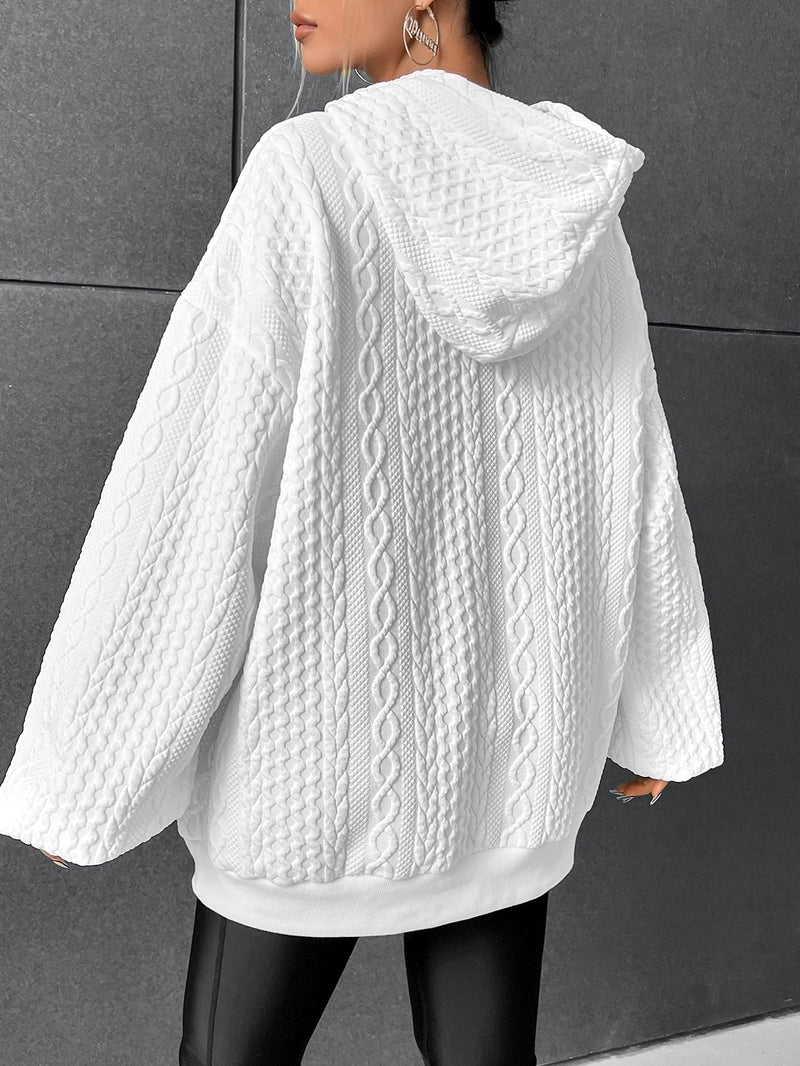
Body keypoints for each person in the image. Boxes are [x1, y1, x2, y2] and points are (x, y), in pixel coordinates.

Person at [0, 1, 725, 1063]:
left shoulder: (308, 174)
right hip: (511, 772)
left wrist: (88, 772)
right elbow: (635, 477)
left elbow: (194, 490)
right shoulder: (576, 212)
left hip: (313, 772)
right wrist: (658, 715)